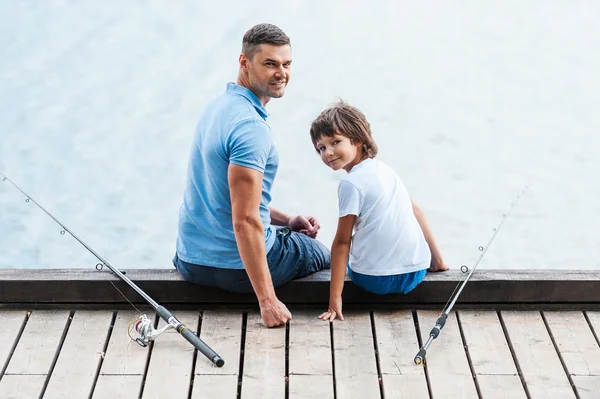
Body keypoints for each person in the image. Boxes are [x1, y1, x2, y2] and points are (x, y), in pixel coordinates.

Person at [174, 23, 330, 328]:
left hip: (190, 262)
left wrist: (287, 221)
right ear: (244, 63)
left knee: (287, 233)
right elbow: (244, 220)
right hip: (235, 268)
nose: (281, 73)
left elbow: (225, 197)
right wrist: (267, 301)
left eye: (286, 64)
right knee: (322, 253)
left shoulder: (216, 108)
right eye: (270, 64)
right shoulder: (251, 128)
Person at [310, 101, 449, 322]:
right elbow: (415, 210)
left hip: (374, 280)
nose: (328, 152)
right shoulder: (386, 171)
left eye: (335, 142)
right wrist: (437, 260)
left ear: (357, 140)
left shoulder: (351, 184)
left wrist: (334, 299)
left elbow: (342, 242)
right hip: (415, 272)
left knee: (337, 253)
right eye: (321, 148)